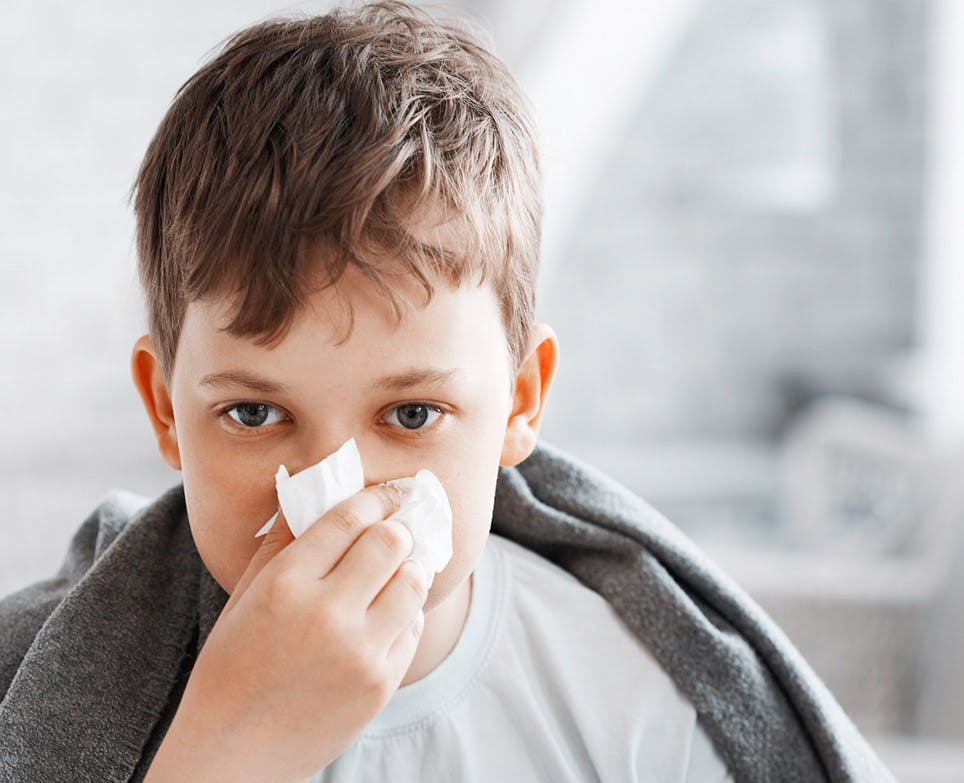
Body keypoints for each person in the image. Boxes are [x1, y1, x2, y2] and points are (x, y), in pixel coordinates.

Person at [0, 3, 894, 781]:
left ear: (519, 402)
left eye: (412, 414)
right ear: (164, 409)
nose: (335, 495)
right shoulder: (63, 681)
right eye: (255, 413)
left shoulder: (633, 696)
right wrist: (230, 750)